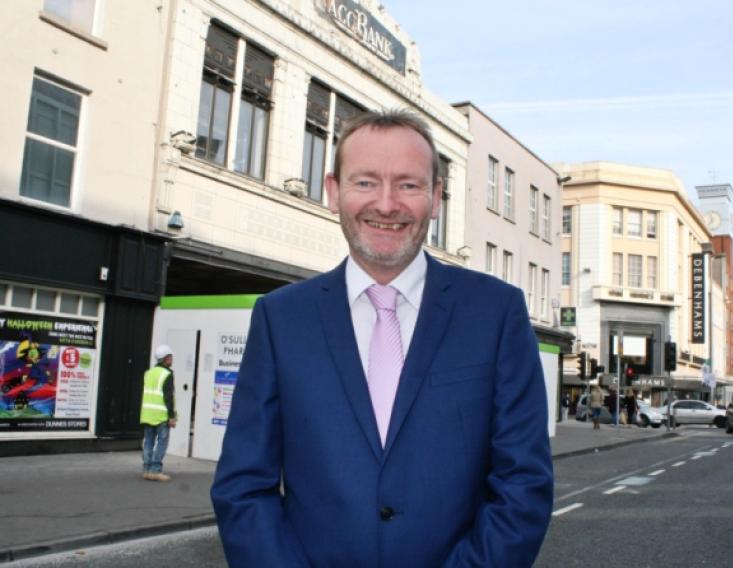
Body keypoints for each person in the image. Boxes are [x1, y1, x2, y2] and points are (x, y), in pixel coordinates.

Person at [211, 109, 554, 567]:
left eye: (409, 185)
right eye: (366, 182)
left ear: (436, 197)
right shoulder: (280, 318)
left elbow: (523, 484)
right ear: (334, 192)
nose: (387, 204)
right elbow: (243, 486)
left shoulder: (496, 314)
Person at [140, 344, 177, 482]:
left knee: (148, 441)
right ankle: (156, 470)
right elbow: (168, 397)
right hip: (161, 415)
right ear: (166, 358)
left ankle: (146, 470)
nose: (172, 359)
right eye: (171, 357)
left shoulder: (148, 373)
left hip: (147, 413)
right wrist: (171, 417)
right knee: (162, 442)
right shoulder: (167, 374)